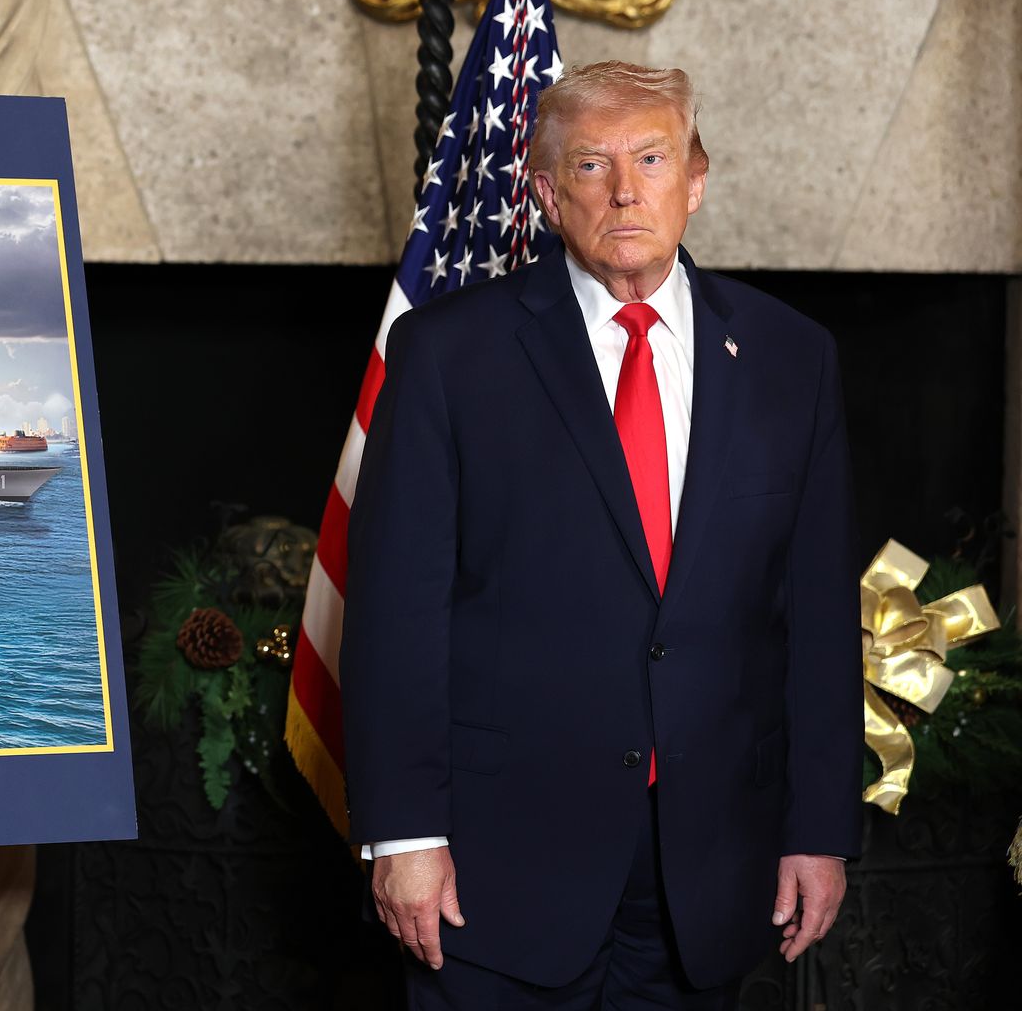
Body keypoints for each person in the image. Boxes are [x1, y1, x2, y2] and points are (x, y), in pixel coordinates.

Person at [340, 61, 858, 1008]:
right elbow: (394, 610)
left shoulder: (793, 358)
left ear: (695, 180)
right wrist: (404, 834)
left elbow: (818, 615)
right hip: (499, 870)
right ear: (543, 192)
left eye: (652, 158)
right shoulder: (449, 353)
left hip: (713, 867)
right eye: (591, 164)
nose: (626, 191)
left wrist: (818, 827)